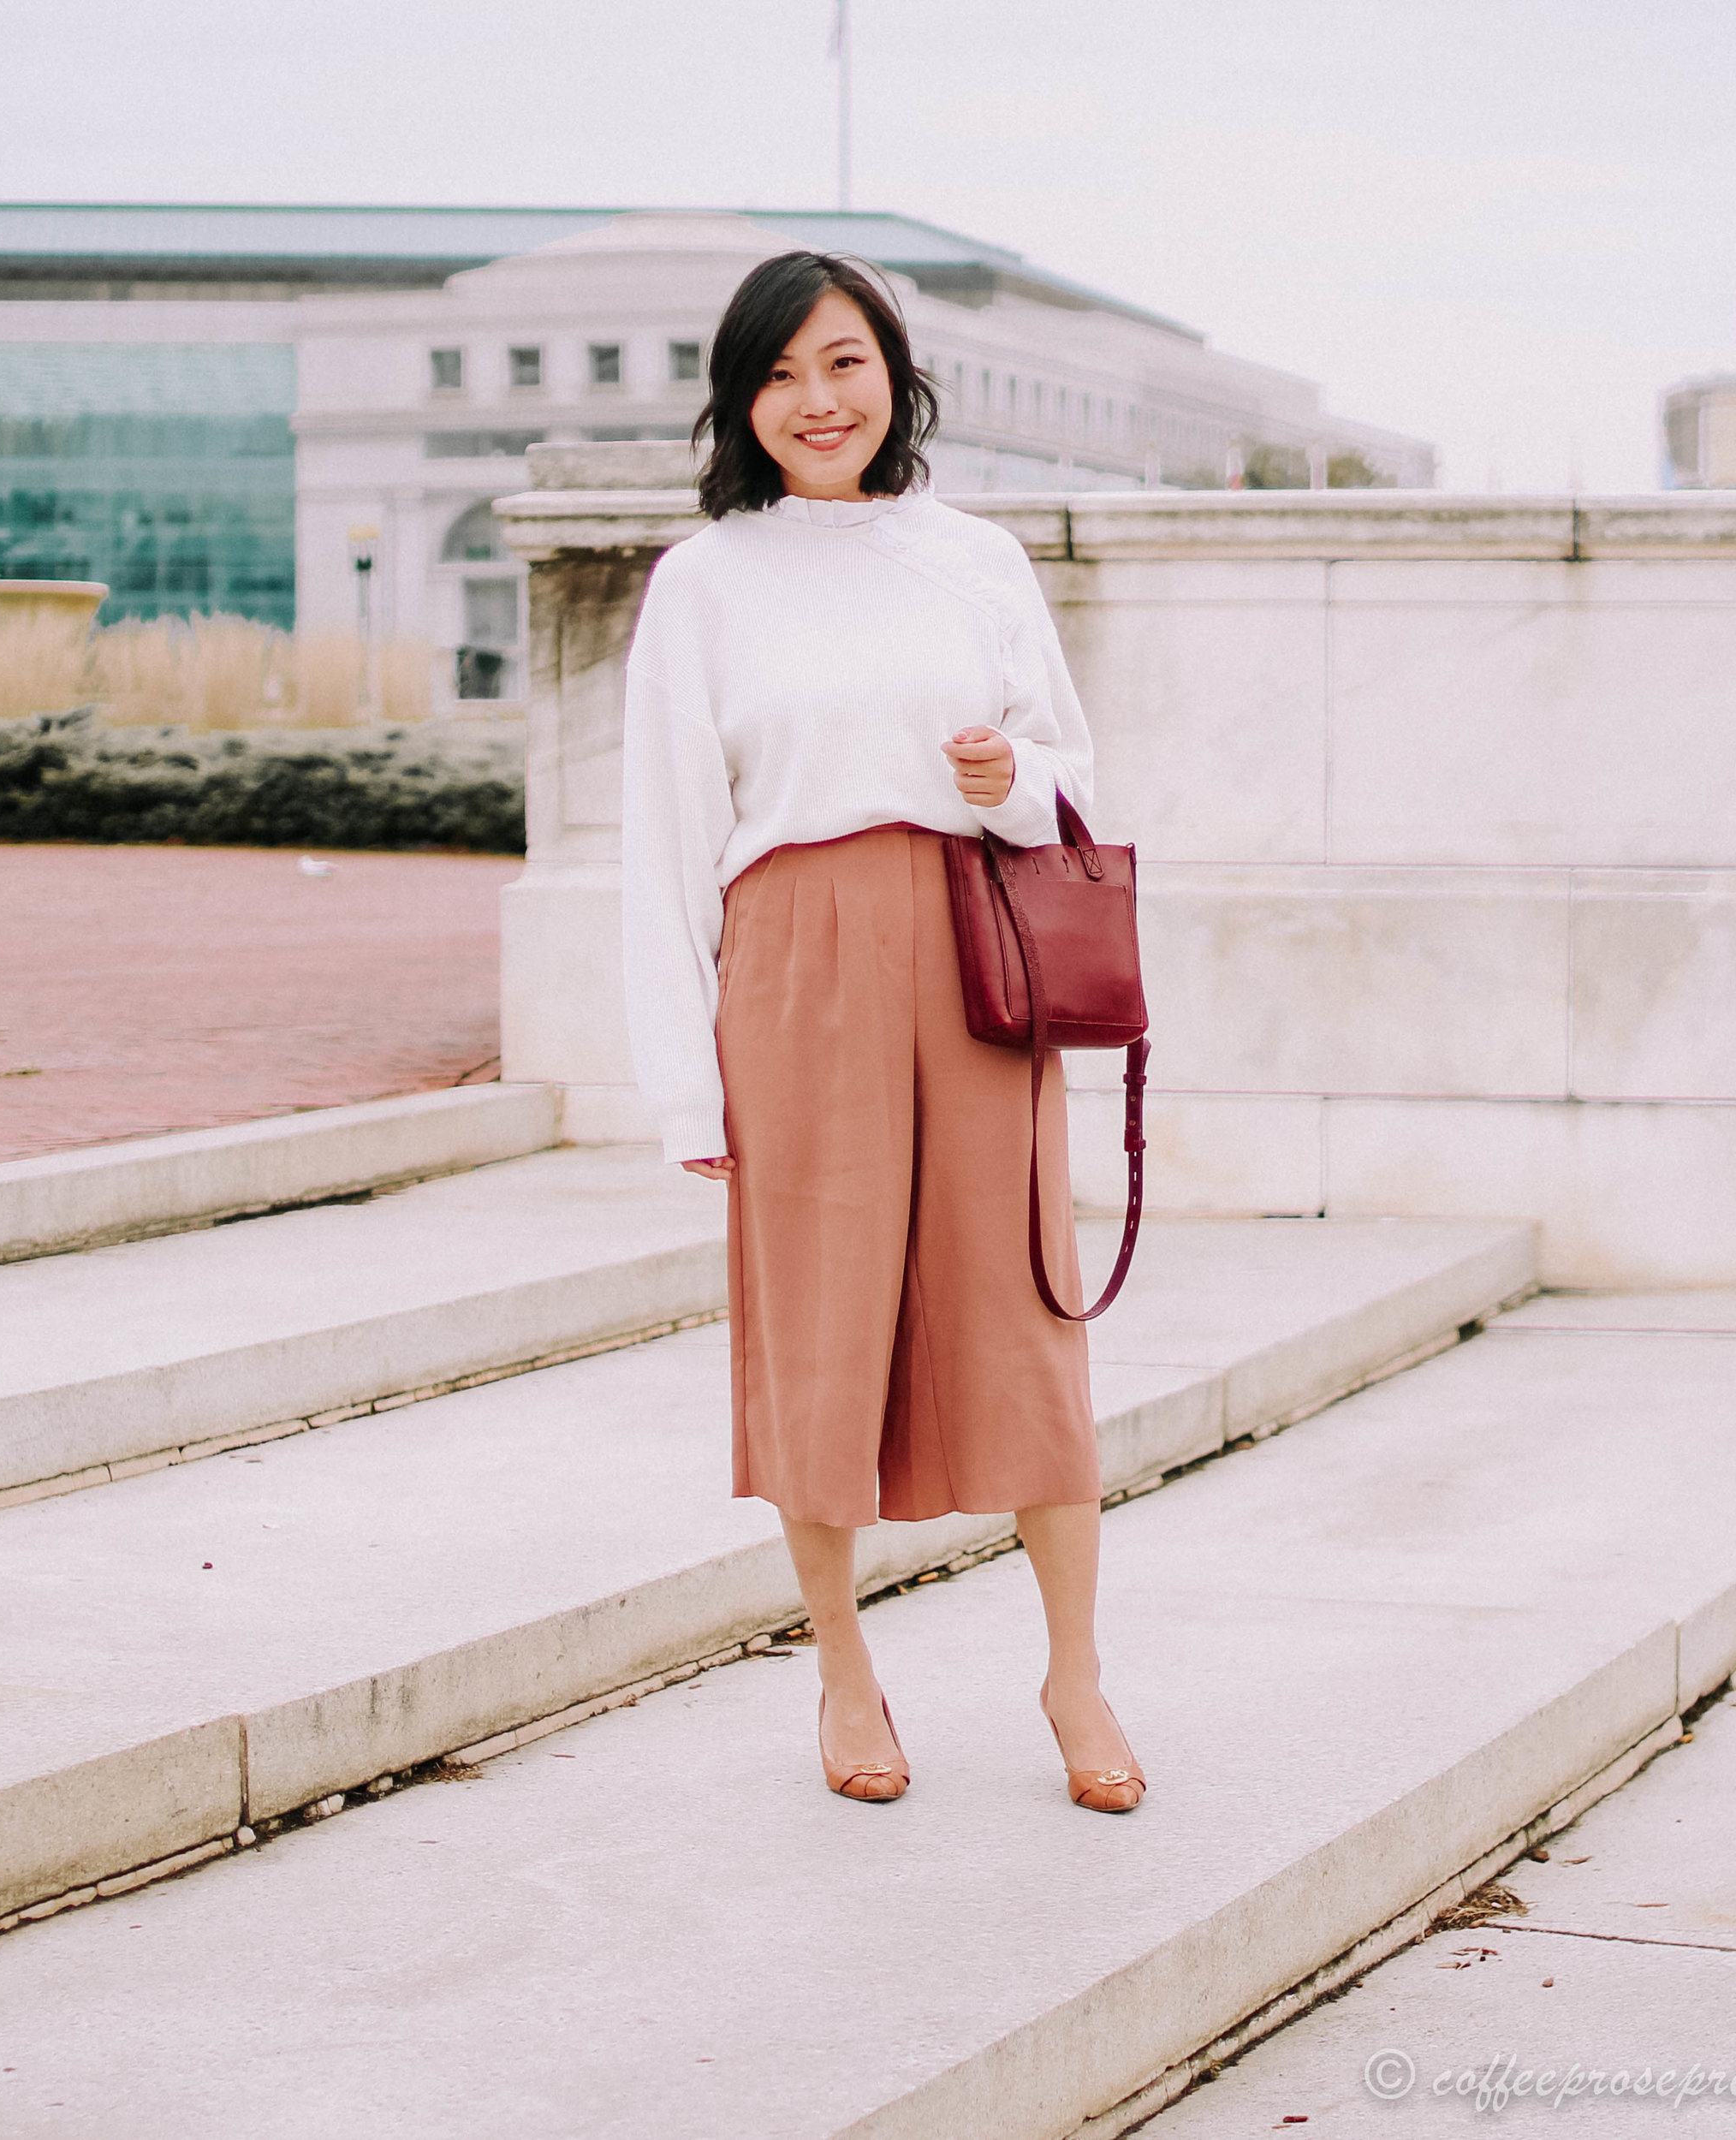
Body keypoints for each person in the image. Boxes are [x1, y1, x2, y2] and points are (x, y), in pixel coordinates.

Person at [620, 251, 1144, 1814]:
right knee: (820, 1328)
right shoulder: (705, 582)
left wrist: (1013, 781)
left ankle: (1075, 1672)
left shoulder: (976, 559)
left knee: (1024, 1320)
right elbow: (665, 845)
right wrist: (688, 1089)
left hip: (974, 955)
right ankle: (843, 1667)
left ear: (894, 375)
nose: (816, 401)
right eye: (780, 374)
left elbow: (1073, 775)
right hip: (794, 965)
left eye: (843, 363)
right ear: (742, 401)